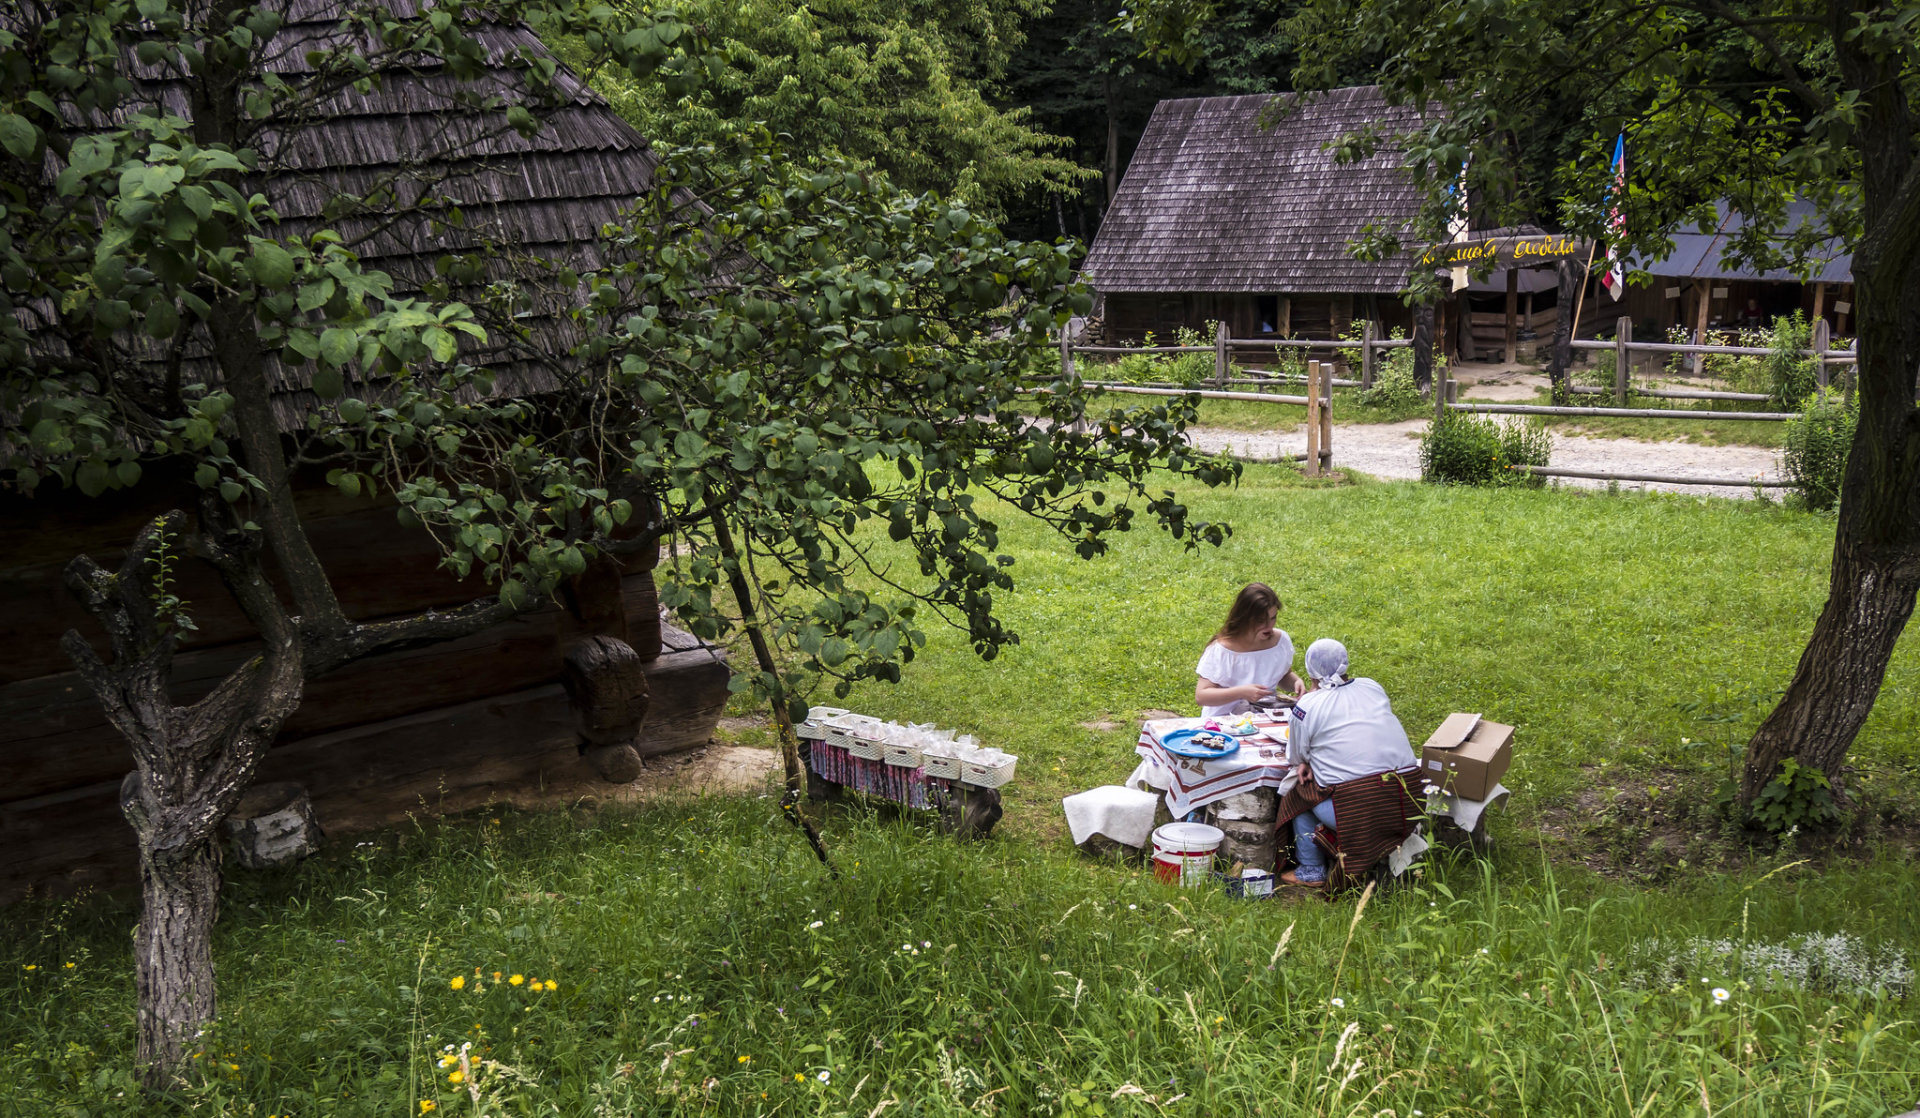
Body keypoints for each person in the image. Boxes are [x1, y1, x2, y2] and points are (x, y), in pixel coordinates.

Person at [1279, 639, 1419, 887]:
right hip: (1409, 800)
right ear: (1345, 664)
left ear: (1310, 671)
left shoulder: (1307, 705)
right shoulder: (1371, 686)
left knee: (1301, 794)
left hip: (1361, 809)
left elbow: (1295, 756)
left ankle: (1311, 870)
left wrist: (1304, 761)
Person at [1195, 583, 1303, 718]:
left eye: (1273, 618)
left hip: (1265, 719)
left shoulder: (1280, 641)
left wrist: (1295, 683)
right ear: (1245, 618)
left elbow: (1283, 675)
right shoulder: (1223, 650)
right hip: (1225, 722)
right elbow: (1201, 696)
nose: (1269, 625)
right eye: (1261, 621)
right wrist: (1241, 692)